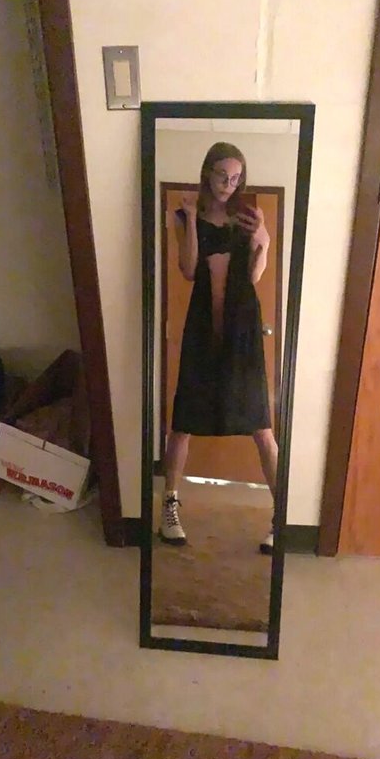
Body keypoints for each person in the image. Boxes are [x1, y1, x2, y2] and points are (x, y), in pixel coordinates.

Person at [159, 142, 278, 555]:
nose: (229, 184)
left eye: (236, 177)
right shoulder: (184, 216)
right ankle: (169, 507)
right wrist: (192, 219)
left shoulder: (248, 217)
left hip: (242, 332)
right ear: (207, 173)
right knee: (183, 421)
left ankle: (281, 516)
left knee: (261, 425)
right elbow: (189, 269)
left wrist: (262, 239)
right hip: (202, 329)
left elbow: (255, 275)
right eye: (223, 175)